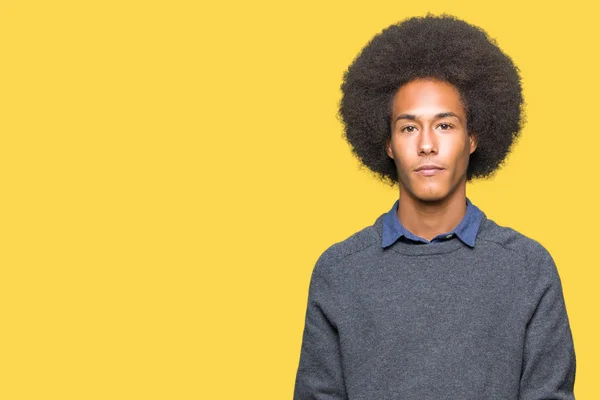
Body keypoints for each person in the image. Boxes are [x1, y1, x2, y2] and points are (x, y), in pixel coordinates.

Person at [293, 14, 576, 400]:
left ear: (474, 137)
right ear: (388, 143)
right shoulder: (340, 271)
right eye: (409, 127)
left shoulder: (527, 268)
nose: (427, 144)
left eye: (445, 125)